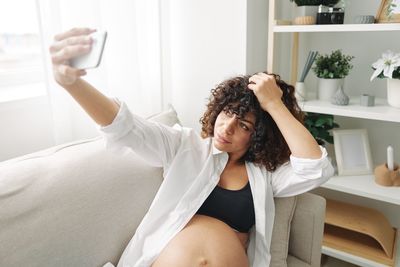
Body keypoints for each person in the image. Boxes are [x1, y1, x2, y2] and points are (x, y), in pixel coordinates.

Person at [50, 28, 334, 267]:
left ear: (260, 136)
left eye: (245, 126)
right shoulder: (184, 146)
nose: (227, 127)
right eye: (227, 113)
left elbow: (315, 168)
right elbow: (126, 127)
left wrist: (274, 104)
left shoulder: (266, 174)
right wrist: (72, 83)